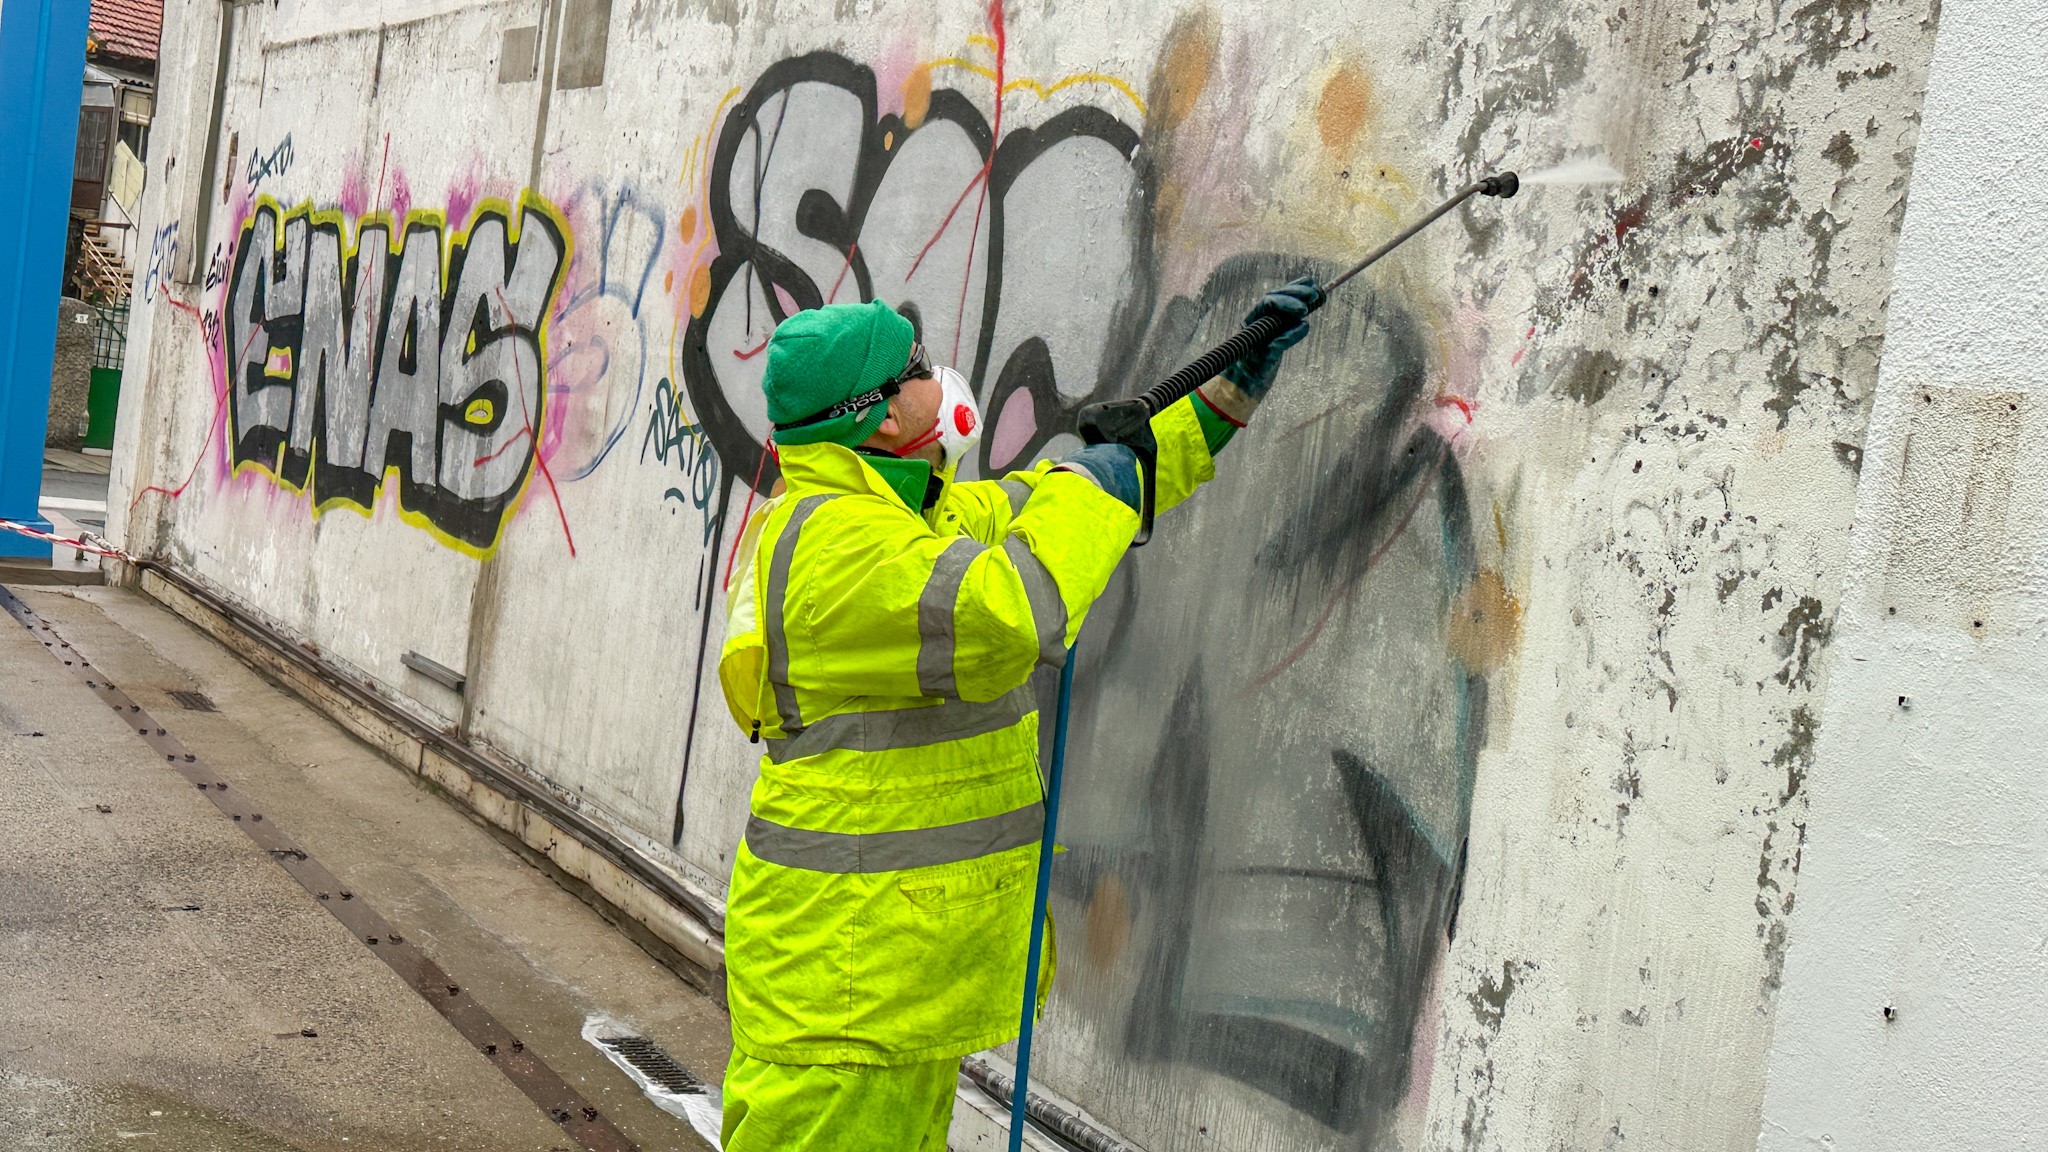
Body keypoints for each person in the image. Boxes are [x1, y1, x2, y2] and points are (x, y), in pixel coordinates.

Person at [716, 280, 1320, 1150]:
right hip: (843, 996)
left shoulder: (909, 514)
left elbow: (1053, 506)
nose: (939, 376)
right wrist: (1093, 490)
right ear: (881, 417)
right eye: (916, 367)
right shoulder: (836, 549)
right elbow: (1013, 611)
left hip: (881, 977)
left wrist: (1227, 393)